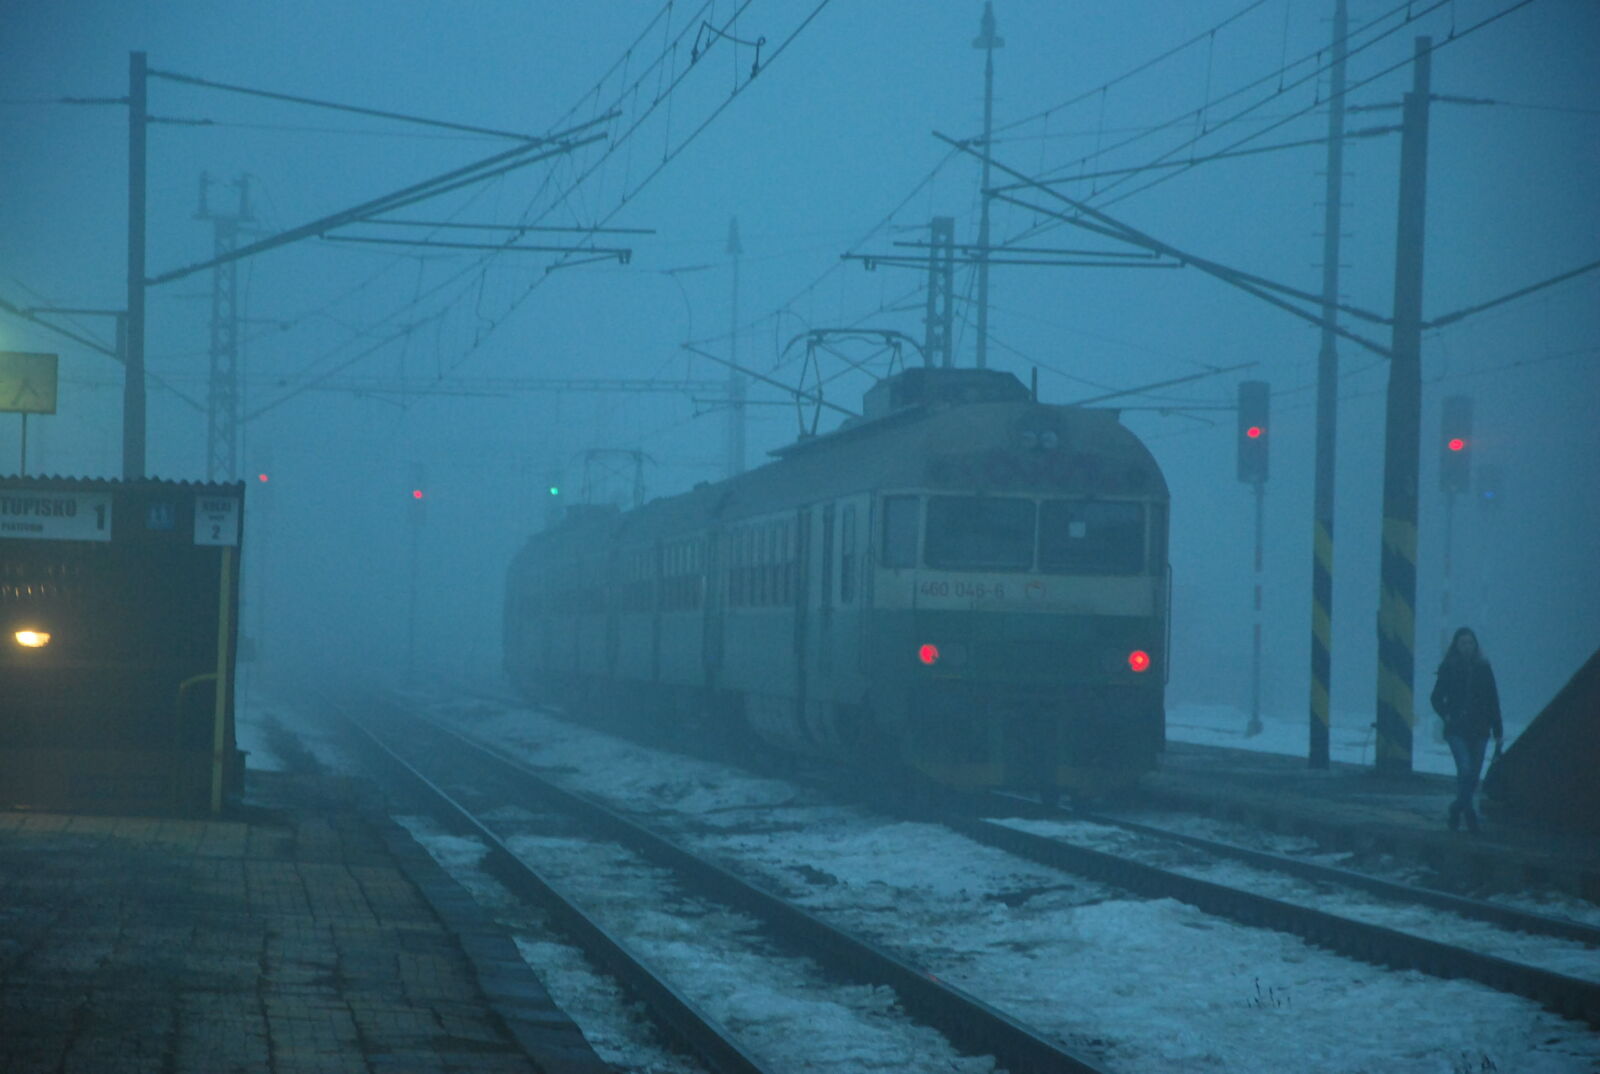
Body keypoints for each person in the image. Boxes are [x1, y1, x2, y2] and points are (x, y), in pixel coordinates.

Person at [1429, 627, 1504, 833]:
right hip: (1457, 728)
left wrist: (1498, 730)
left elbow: (1492, 700)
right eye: (1463, 643)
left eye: (1471, 643)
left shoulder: (1484, 668)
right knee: (1465, 768)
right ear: (1456, 645)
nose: (1467, 647)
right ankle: (1469, 812)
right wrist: (1446, 714)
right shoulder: (1448, 668)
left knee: (1473, 774)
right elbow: (1436, 697)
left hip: (1480, 729)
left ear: (1476, 645)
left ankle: (1457, 807)